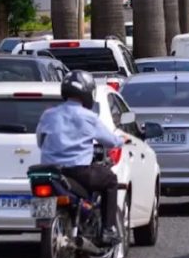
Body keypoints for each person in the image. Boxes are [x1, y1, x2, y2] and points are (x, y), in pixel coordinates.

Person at [36, 70, 124, 245]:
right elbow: (110, 141)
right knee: (111, 180)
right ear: (87, 93)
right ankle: (107, 230)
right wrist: (122, 140)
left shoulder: (48, 115)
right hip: (78, 172)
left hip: (49, 171)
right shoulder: (89, 117)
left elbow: (40, 141)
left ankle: (48, 221)